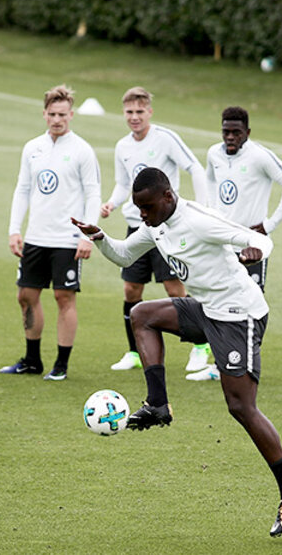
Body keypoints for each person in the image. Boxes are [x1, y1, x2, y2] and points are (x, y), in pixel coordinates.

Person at [72, 167, 282, 537]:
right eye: (139, 210)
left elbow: (262, 242)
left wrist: (253, 251)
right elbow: (122, 256)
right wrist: (100, 236)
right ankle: (158, 405)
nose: (143, 216)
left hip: (239, 316)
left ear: (168, 197)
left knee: (240, 407)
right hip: (207, 309)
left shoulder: (200, 221)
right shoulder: (156, 224)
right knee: (142, 316)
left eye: (147, 208)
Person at [101, 87, 211, 374]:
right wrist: (112, 203)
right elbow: (124, 184)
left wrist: (202, 208)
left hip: (165, 227)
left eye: (140, 111)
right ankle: (134, 352)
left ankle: (200, 347)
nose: (134, 117)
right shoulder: (122, 146)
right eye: (129, 112)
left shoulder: (166, 139)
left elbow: (195, 168)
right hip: (136, 225)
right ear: (123, 113)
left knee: (174, 288)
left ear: (150, 112)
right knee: (131, 289)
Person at [192, 106, 282, 381]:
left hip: (250, 247)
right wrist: (209, 214)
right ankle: (222, 364)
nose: (230, 137)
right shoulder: (214, 154)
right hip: (220, 244)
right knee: (217, 301)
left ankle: (243, 363)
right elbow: (209, 182)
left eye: (236, 132)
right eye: (225, 131)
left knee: (249, 304)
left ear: (247, 133)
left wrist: (269, 224)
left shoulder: (260, 157)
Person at [1, 85, 101, 381]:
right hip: (36, 237)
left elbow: (93, 194)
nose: (58, 119)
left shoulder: (82, 150)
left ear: (71, 115)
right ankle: (32, 360)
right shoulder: (32, 148)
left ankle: (61, 364)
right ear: (44, 114)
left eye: (63, 114)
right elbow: (23, 189)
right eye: (52, 114)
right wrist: (14, 230)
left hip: (66, 239)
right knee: (26, 295)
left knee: (63, 297)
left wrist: (87, 236)